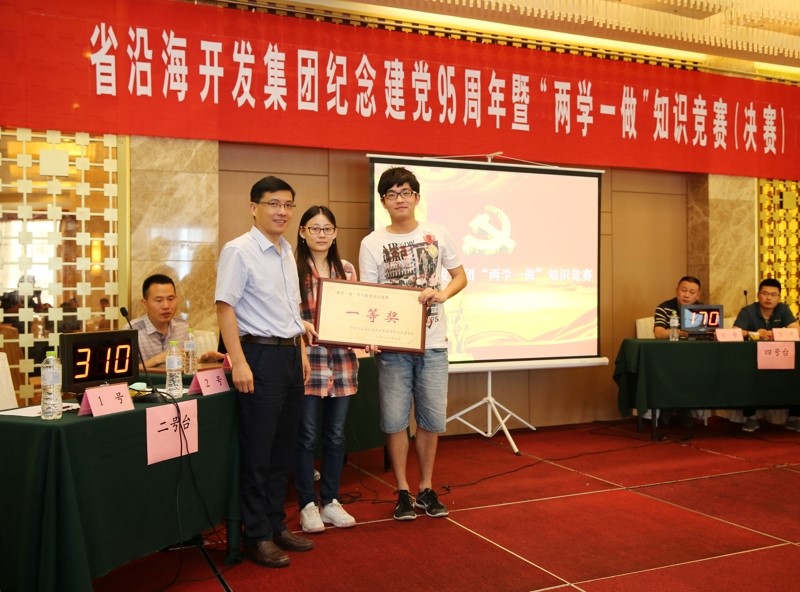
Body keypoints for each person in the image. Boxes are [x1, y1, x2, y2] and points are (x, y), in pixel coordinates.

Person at [215, 176, 316, 569]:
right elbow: (225, 307)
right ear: (253, 207)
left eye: (288, 205)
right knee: (258, 451)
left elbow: (289, 309)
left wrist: (300, 349)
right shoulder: (239, 250)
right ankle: (256, 535)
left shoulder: (287, 250)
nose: (282, 212)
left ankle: (275, 525)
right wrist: (238, 361)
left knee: (282, 450)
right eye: (274, 203)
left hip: (289, 356)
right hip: (258, 357)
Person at [359, 166, 467, 521]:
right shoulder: (372, 243)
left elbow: (460, 277)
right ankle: (403, 491)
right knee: (394, 420)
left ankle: (426, 488)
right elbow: (370, 295)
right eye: (392, 194)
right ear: (383, 202)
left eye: (406, 192)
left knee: (431, 419)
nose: (400, 199)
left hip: (433, 343)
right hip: (393, 347)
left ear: (416, 197)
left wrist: (442, 294)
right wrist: (370, 335)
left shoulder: (438, 233)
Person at [293, 205, 359, 534]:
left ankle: (331, 501)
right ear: (302, 232)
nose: (321, 234)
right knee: (306, 437)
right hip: (308, 364)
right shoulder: (291, 269)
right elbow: (286, 317)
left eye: (327, 228)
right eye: (314, 228)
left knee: (335, 437)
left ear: (335, 233)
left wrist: (367, 336)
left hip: (342, 364)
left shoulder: (346, 269)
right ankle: (307, 505)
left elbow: (357, 315)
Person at [733, 278, 800, 433]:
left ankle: (794, 418)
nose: (769, 298)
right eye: (765, 293)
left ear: (779, 297)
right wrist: (756, 334)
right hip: (752, 359)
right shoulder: (748, 311)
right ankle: (750, 417)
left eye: (773, 294)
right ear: (758, 295)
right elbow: (736, 332)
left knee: (796, 373)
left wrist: (776, 333)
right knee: (744, 375)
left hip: (779, 358)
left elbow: (796, 329)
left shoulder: (783, 309)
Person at [130, 274, 223, 369]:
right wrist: (158, 359)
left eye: (171, 299)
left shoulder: (183, 327)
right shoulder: (132, 330)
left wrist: (202, 362)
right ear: (145, 303)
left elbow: (186, 363)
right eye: (159, 300)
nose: (166, 306)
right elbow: (126, 372)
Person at [651, 276, 703, 428]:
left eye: (692, 292)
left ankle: (684, 410)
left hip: (694, 356)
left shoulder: (703, 310)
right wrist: (682, 332)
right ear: (676, 291)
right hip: (669, 356)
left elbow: (711, 332)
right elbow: (659, 333)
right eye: (683, 290)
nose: (686, 295)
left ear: (698, 295)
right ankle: (668, 408)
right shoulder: (664, 308)